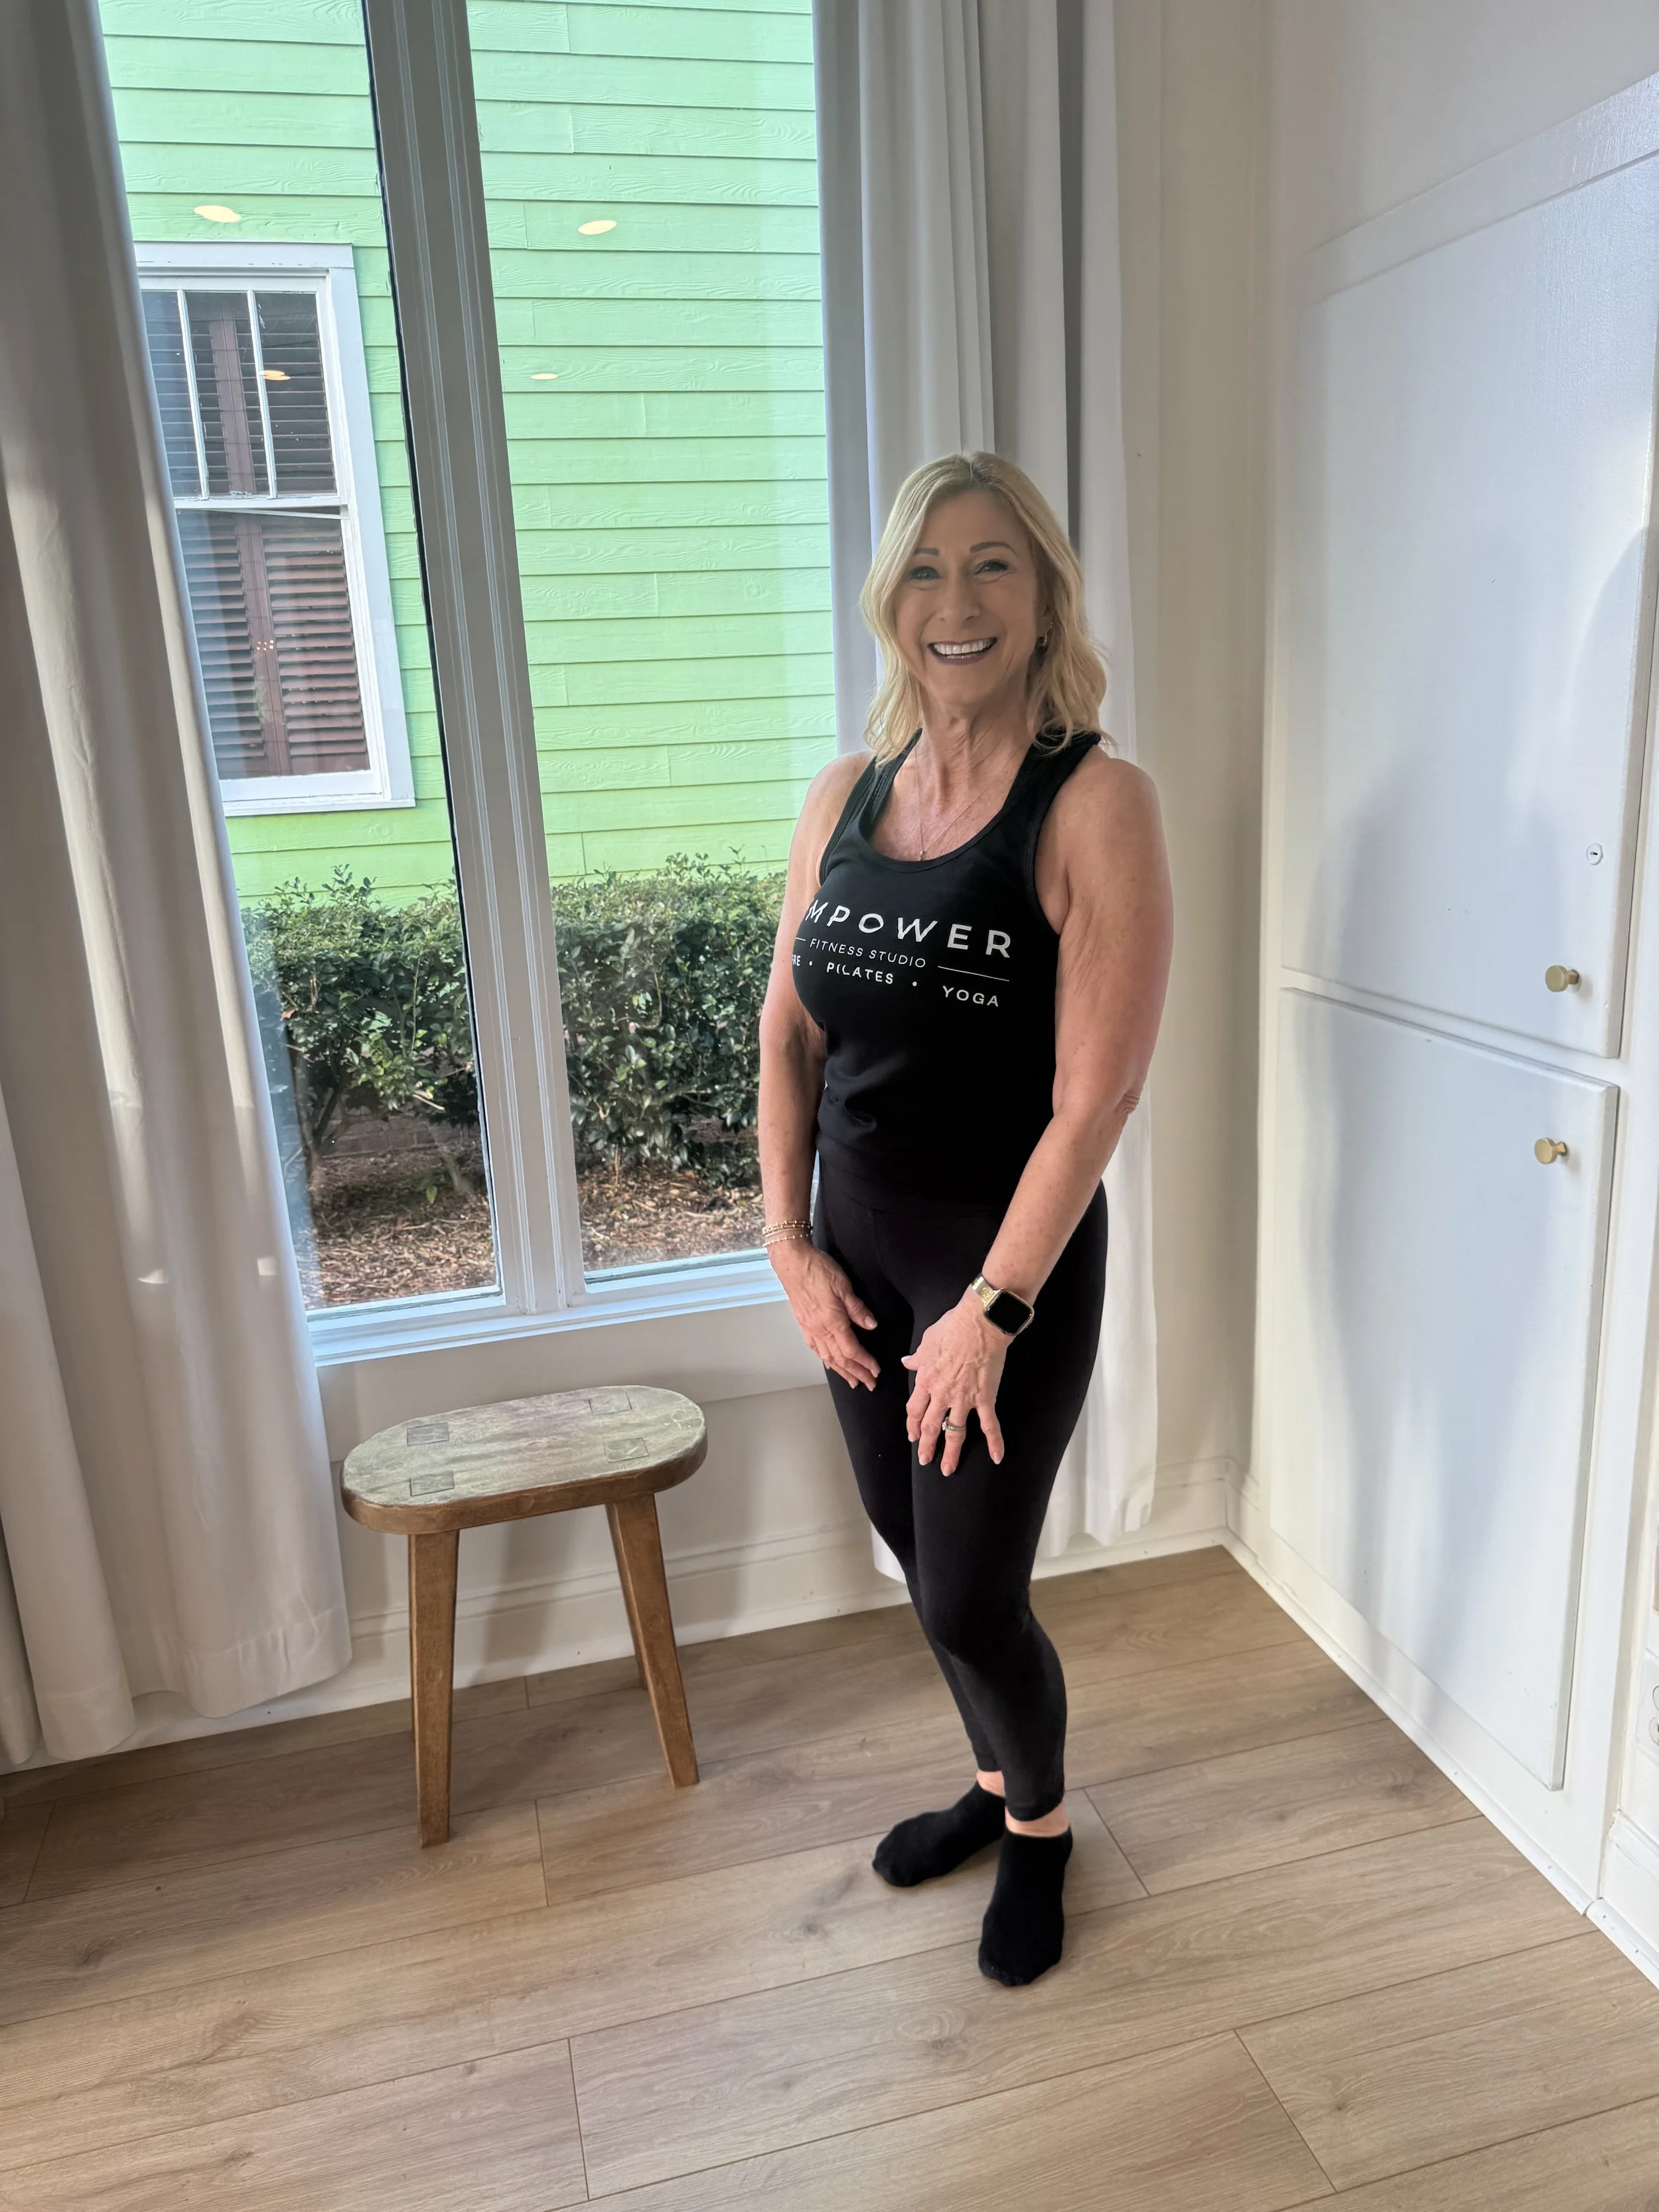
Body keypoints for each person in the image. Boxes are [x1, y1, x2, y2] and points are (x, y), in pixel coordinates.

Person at [756, 450, 1173, 1986]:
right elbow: (787, 1034)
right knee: (914, 1559)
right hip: (855, 1250)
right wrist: (788, 1245)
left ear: (1044, 596)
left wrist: (989, 1312)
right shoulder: (842, 798)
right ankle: (994, 1786)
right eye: (925, 568)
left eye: (993, 563)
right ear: (888, 602)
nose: (956, 599)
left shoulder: (1092, 802)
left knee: (973, 1594)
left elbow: (1096, 1097)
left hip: (1004, 1264)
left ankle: (1042, 1828)